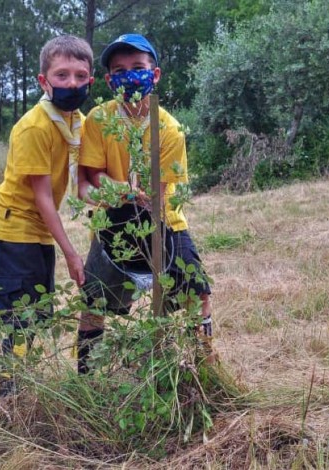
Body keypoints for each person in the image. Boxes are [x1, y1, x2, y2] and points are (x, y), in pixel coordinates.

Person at [75, 33, 213, 375]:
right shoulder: (98, 119)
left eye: (138, 67)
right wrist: (121, 189)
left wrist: (116, 187)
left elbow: (156, 196)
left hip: (166, 222)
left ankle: (205, 365)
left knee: (197, 292)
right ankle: (86, 376)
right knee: (95, 303)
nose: (129, 75)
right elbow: (92, 178)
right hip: (110, 225)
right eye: (119, 70)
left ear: (155, 74)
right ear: (109, 80)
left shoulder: (169, 129)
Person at [0, 35, 93, 396]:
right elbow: (44, 198)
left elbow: (83, 185)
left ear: (91, 79)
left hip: (39, 234)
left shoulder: (77, 121)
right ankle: (9, 397)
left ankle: (24, 388)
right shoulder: (35, 127)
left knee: (37, 315)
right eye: (62, 75)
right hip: (14, 232)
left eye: (80, 75)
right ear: (43, 80)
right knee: (18, 319)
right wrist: (71, 253)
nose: (72, 84)